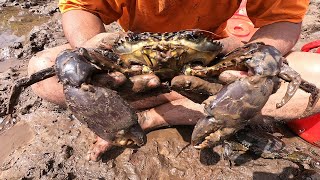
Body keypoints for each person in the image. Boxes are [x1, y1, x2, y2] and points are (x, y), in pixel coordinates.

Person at [28, 0, 320, 161]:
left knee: (315, 79)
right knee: (44, 70)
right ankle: (218, 105)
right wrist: (93, 52)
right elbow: (82, 6)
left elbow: (282, 17)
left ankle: (156, 115)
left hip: (216, 66)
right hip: (131, 71)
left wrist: (244, 62)